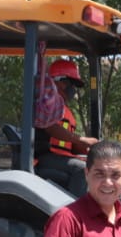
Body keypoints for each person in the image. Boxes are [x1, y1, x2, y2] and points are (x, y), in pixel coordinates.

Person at [33, 58, 97, 197]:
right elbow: (51, 128)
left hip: (57, 157)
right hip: (44, 157)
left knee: (93, 165)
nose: (73, 90)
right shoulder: (46, 104)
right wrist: (81, 139)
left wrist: (88, 149)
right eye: (71, 84)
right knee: (81, 170)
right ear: (60, 82)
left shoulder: (63, 109)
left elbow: (68, 145)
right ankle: (75, 215)